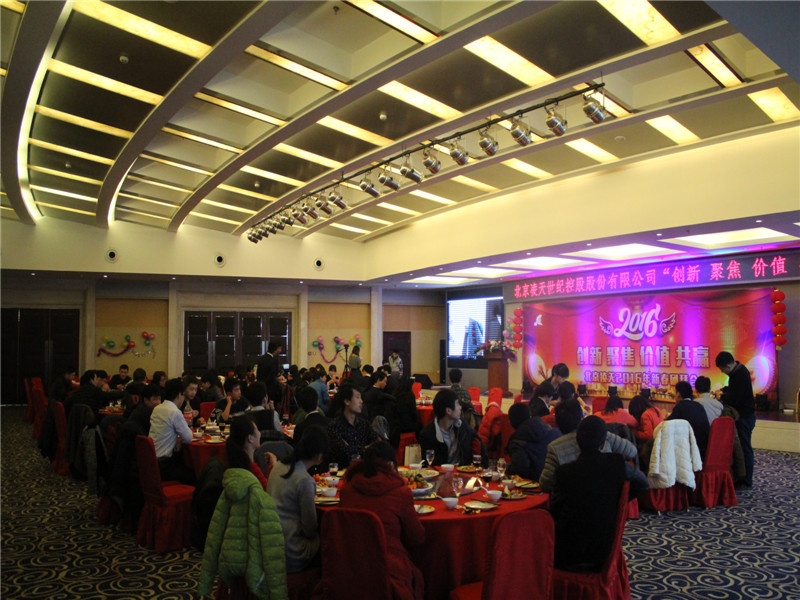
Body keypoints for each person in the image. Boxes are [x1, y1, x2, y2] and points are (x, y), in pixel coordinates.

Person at [340, 440, 426, 600]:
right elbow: (417, 538)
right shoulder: (400, 493)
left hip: (350, 563)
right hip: (389, 568)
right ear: (391, 465)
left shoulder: (347, 490)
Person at [550, 416, 628, 572]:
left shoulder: (564, 473)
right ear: (603, 443)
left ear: (577, 441)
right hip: (606, 548)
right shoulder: (617, 463)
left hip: (568, 553)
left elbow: (555, 510)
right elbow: (642, 484)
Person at [539, 398, 641, 493]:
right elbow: (632, 451)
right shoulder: (601, 435)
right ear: (581, 417)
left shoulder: (554, 447)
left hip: (570, 500)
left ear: (557, 423)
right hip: (607, 496)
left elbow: (545, 484)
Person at [267, 424, 329, 573]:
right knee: (329, 538)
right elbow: (310, 529)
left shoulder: (278, 466)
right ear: (319, 456)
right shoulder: (304, 480)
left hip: (269, 542)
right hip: (291, 550)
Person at [715, 351, 756, 488]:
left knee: (744, 448)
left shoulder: (740, 375)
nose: (722, 372)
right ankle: (741, 477)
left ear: (728, 366)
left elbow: (735, 399)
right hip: (744, 415)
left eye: (722, 369)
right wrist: (725, 389)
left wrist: (722, 397)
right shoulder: (738, 371)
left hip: (745, 416)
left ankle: (746, 479)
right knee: (740, 447)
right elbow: (735, 390)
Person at [418, 389, 486, 467]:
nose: (460, 407)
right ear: (448, 411)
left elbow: (478, 441)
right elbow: (430, 465)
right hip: (440, 473)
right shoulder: (427, 435)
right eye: (457, 404)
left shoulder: (462, 425)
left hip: (463, 471)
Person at [148, 378, 195, 485]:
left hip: (151, 462)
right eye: (183, 395)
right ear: (179, 395)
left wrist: (175, 440)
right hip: (164, 465)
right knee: (195, 474)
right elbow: (189, 438)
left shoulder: (157, 409)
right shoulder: (175, 412)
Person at [326, 382, 379, 469]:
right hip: (343, 472)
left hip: (365, 470)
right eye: (357, 397)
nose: (361, 401)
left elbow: (377, 446)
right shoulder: (335, 426)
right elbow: (345, 454)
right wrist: (365, 448)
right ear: (347, 401)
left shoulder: (364, 424)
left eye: (361, 398)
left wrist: (352, 448)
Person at [506, 402, 560, 481]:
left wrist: (508, 468)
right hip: (556, 479)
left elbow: (521, 469)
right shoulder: (551, 430)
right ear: (530, 416)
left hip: (534, 482)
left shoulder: (517, 442)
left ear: (511, 422)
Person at [668, 380, 710, 456]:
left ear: (678, 394)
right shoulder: (699, 406)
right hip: (704, 448)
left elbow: (667, 425)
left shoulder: (680, 406)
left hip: (690, 450)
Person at [227, 416, 270, 490]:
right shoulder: (252, 468)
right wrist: (272, 467)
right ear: (250, 438)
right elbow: (270, 490)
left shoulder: (235, 463)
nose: (260, 433)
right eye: (257, 430)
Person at [628, 394, 663, 467]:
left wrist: (635, 433)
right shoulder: (656, 410)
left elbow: (648, 435)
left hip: (650, 446)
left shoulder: (645, 415)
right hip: (661, 443)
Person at [256, 341, 285, 408]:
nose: (280, 351)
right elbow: (273, 376)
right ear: (276, 349)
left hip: (261, 388)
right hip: (271, 390)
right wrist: (280, 383)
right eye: (280, 348)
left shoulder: (261, 359)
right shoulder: (274, 360)